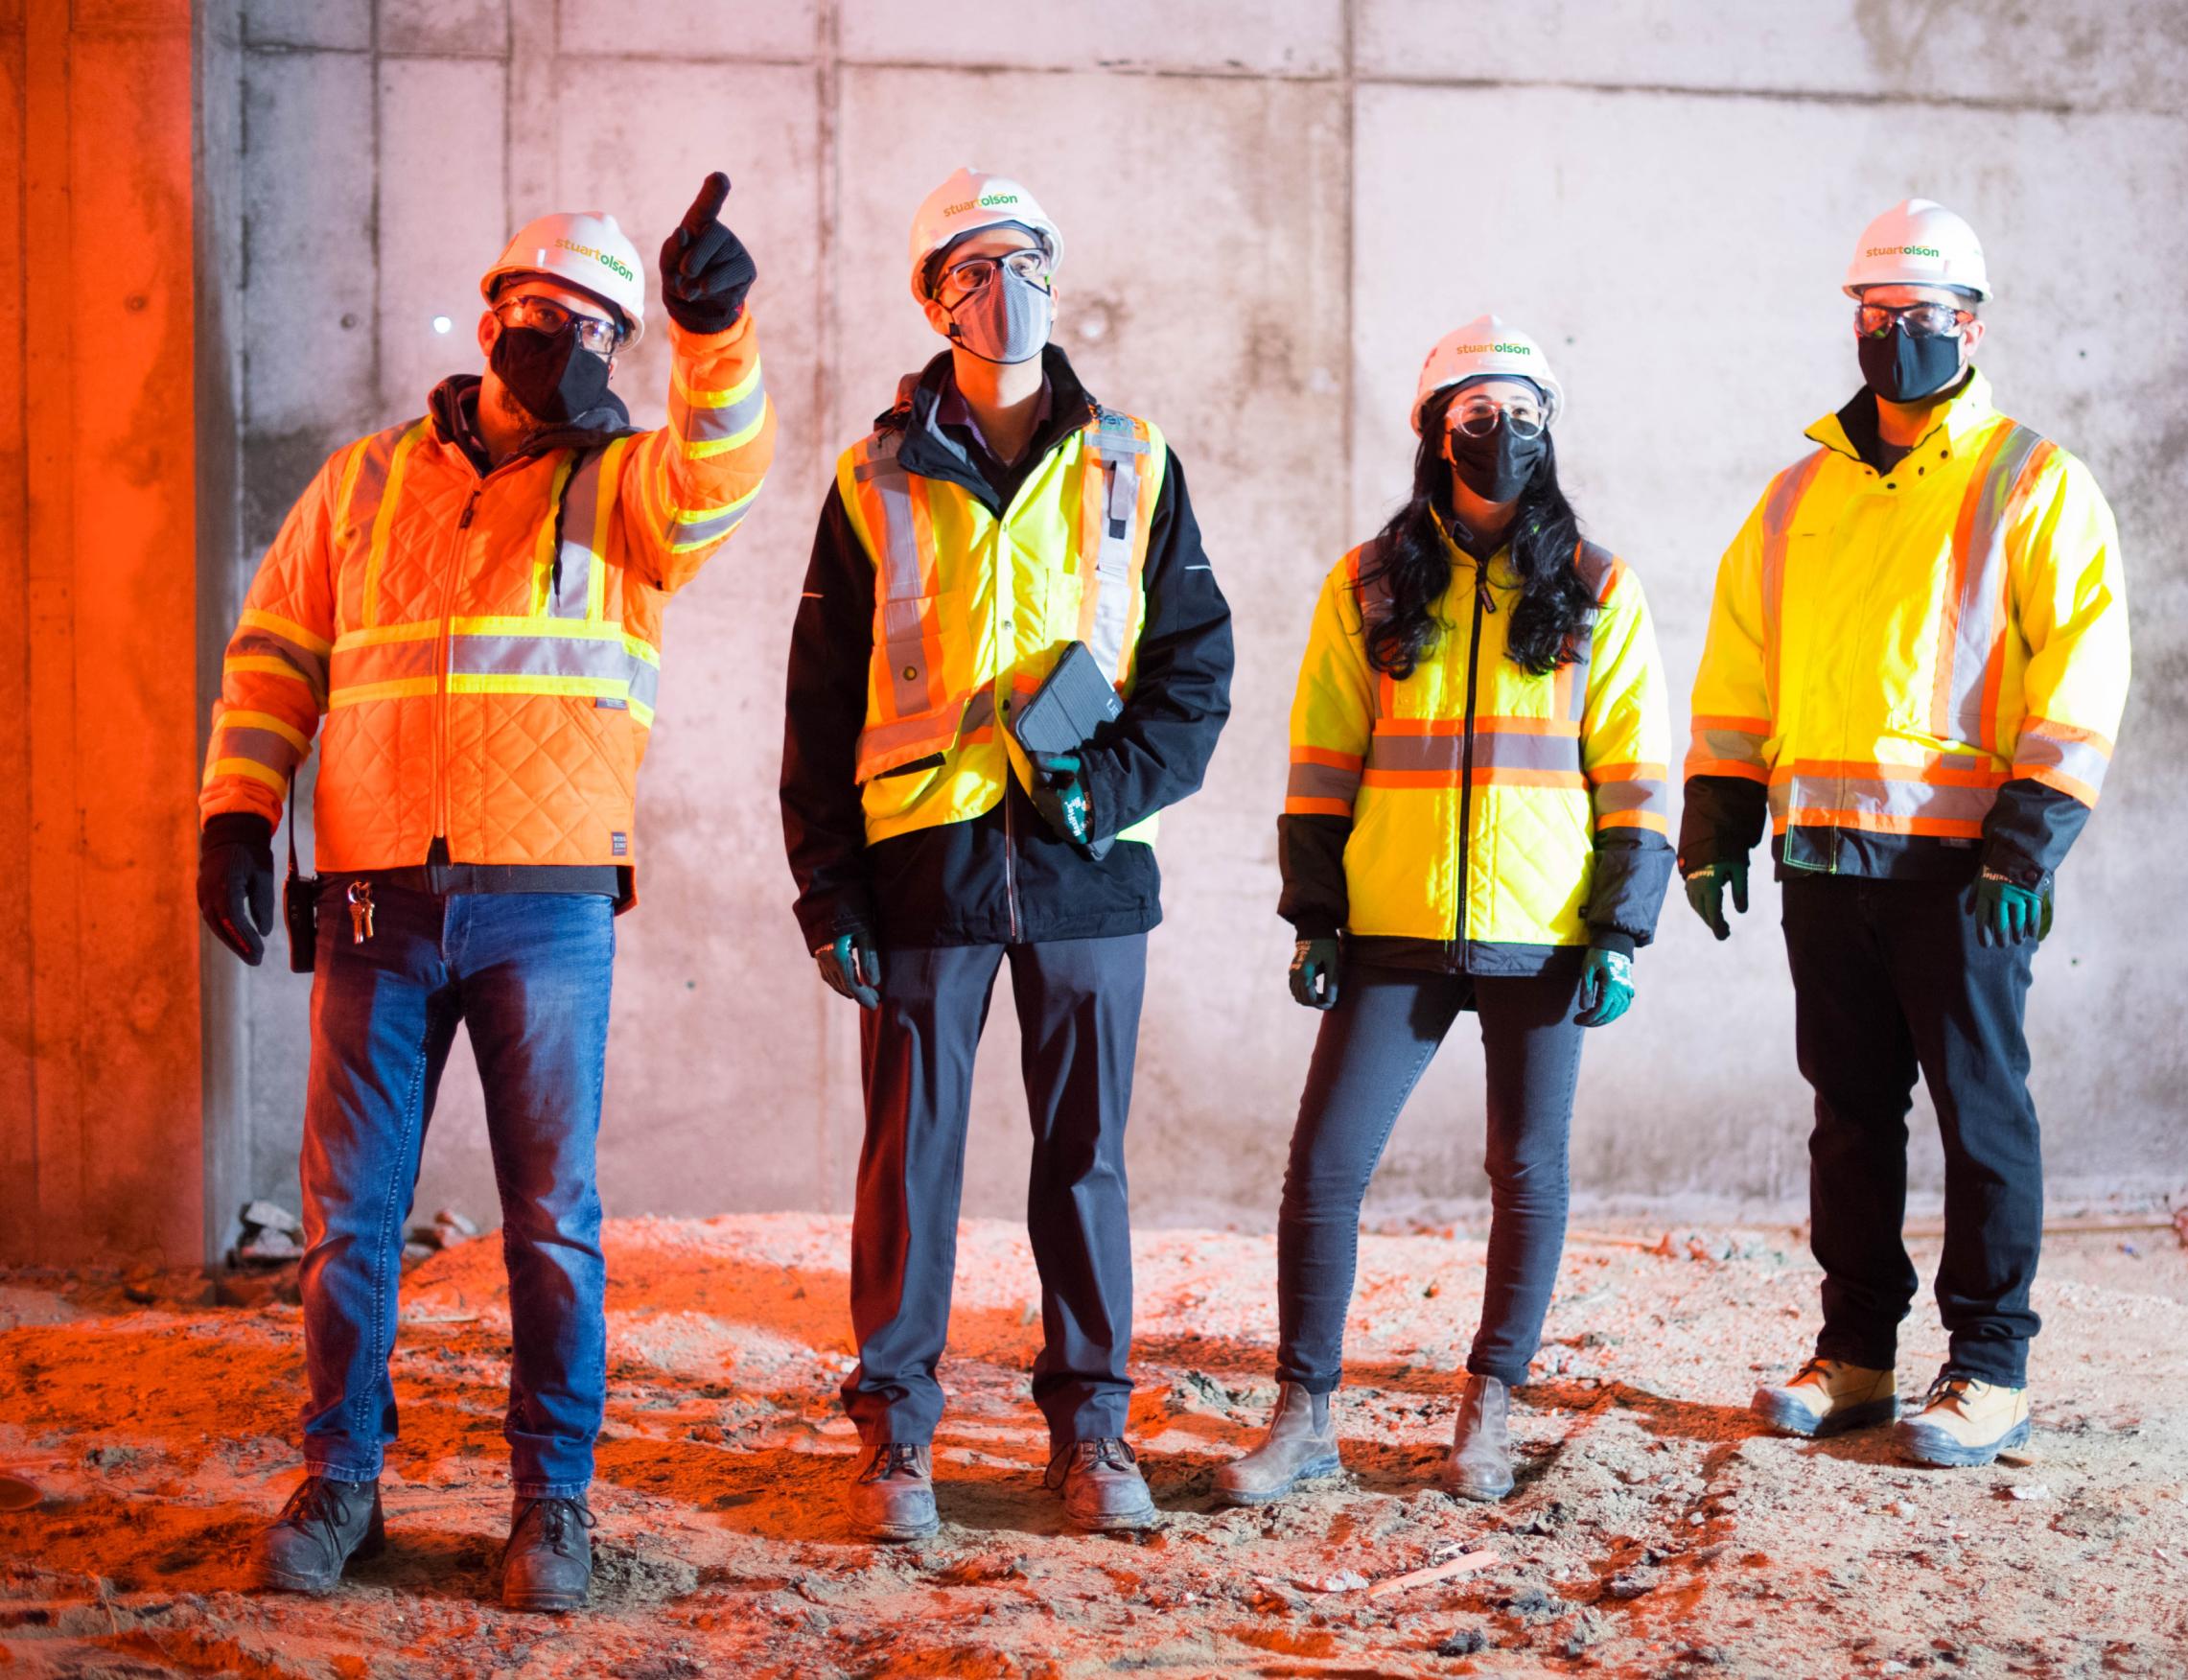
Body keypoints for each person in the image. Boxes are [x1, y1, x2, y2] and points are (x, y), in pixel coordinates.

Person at [197, 175, 772, 1604]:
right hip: (379, 906)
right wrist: (235, 813)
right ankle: (341, 1480)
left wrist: (718, 335)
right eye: (544, 314)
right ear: (491, 308)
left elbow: (725, 472)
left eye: (600, 328)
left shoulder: (628, 486)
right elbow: (276, 655)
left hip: (550, 906)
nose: (566, 343)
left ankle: (550, 1504)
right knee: (347, 1226)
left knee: (554, 1228)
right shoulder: (367, 481)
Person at [780, 169, 1233, 1540]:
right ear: (931, 298)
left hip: (1089, 872)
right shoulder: (872, 480)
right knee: (909, 1158)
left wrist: (1107, 790)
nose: (1005, 287)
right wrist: (827, 890)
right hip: (925, 867)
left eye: (1025, 258)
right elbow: (814, 704)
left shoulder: (1134, 463)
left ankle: (1094, 1434)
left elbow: (1195, 674)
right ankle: (896, 1443)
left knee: (1085, 1156)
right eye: (972, 268)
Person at [1678, 199, 2130, 1467]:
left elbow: (2084, 668)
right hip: (1824, 860)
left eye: (1925, 318)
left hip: (1965, 873)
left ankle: (1989, 1367)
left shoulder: (2031, 483)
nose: (1899, 338)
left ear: (1973, 328)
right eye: (1878, 316)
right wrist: (1718, 813)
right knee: (1851, 1118)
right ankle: (1859, 1355)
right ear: (1854, 321)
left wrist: (2027, 842)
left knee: (1983, 1114)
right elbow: (1740, 667)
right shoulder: (1797, 496)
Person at [1219, 317, 1673, 1506]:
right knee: (1324, 1167)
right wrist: (1315, 913)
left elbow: (1633, 770)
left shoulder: (1592, 587)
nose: (1502, 433)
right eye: (1477, 413)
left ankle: (1489, 1411)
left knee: (1525, 1170)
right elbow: (1321, 755)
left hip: (1547, 932)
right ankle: (1304, 1415)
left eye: (1524, 414)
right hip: (1394, 925)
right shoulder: (1366, 583)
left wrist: (1620, 931)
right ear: (1432, 432)